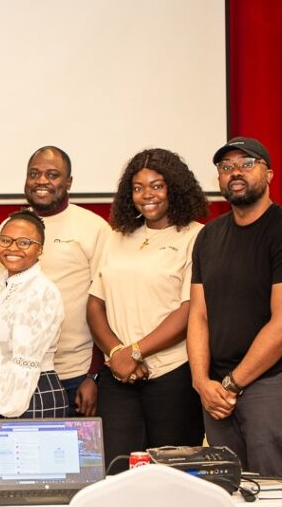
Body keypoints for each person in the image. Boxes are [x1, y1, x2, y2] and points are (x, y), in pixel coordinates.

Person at [188, 137, 282, 495]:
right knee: (229, 493)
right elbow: (199, 315)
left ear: (269, 173)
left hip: (272, 382)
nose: (235, 172)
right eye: (226, 167)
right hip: (217, 388)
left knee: (270, 492)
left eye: (247, 163)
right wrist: (202, 382)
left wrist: (231, 385)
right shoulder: (209, 236)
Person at [86, 148, 208, 465]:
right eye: (138, 188)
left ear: (175, 188)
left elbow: (189, 310)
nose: (146, 195)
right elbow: (95, 304)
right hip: (119, 376)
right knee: (115, 470)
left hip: (173, 374)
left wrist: (136, 351)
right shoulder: (117, 237)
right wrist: (117, 354)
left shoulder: (196, 236)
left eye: (157, 185)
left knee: (173, 476)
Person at [0, 146, 108, 416]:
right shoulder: (9, 227)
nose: (42, 181)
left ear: (69, 182)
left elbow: (105, 303)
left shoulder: (94, 227)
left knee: (69, 458)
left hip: (73, 373)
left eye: (52, 174)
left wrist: (94, 375)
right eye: (34, 174)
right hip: (16, 374)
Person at [0, 209, 67, 485]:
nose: (13, 248)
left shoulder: (42, 292)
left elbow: (25, 361)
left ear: (39, 250)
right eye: (6, 241)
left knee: (24, 493)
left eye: (24, 243)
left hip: (29, 396)